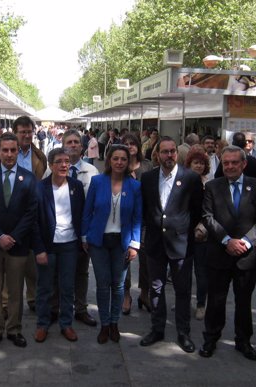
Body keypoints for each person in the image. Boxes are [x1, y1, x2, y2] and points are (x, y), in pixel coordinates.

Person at [200, 145, 256, 361]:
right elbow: (207, 217)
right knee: (215, 300)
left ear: (244, 164)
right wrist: (227, 241)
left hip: (246, 257)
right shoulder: (212, 186)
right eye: (226, 162)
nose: (229, 166)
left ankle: (243, 341)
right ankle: (211, 338)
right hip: (219, 254)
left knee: (244, 302)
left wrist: (248, 242)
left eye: (234, 162)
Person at [139, 137, 203, 353]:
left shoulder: (191, 178)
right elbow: (145, 209)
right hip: (155, 244)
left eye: (172, 151)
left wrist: (185, 230)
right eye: (164, 152)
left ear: (177, 153)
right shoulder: (147, 178)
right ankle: (157, 329)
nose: (169, 155)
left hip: (181, 244)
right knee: (155, 288)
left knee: (182, 290)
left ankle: (183, 333)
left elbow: (196, 211)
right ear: (157, 155)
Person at [0, 132, 38, 350]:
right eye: (5, 150)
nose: (10, 154)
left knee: (15, 291)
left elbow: (31, 212)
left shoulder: (29, 178)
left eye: (13, 150)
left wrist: (14, 237)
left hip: (18, 244)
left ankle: (14, 329)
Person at [81, 144, 141, 344]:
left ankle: (114, 323)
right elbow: (87, 211)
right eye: (115, 158)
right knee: (102, 284)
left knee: (118, 285)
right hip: (99, 241)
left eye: (123, 159)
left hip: (121, 242)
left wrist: (135, 244)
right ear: (109, 160)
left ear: (128, 162)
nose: (119, 162)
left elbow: (137, 217)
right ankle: (104, 324)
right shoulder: (98, 182)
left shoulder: (134, 186)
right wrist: (84, 236)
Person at [0, 116, 47, 315]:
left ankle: (32, 298)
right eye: (22, 131)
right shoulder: (0, 154)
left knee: (31, 262)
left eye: (29, 131)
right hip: (6, 212)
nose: (27, 135)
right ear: (15, 132)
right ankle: (5, 303)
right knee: (8, 261)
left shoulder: (40, 156)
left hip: (30, 213)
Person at [32, 148, 85, 343]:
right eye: (59, 161)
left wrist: (83, 241)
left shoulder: (76, 186)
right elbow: (34, 221)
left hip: (70, 245)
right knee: (45, 287)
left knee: (67, 286)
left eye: (67, 161)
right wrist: (39, 249)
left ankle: (66, 324)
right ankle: (42, 324)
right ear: (50, 165)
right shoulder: (40, 188)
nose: (64, 165)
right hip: (48, 246)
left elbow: (80, 215)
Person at [62, 130, 99, 327]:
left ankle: (81, 309)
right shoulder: (54, 168)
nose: (74, 144)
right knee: (59, 271)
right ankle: (59, 308)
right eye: (70, 141)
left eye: (77, 141)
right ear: (63, 144)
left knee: (82, 272)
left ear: (82, 146)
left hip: (83, 231)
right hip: (60, 230)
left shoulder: (92, 171)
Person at [121, 132, 153, 315]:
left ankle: (145, 293)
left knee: (146, 259)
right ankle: (126, 294)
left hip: (146, 218)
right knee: (126, 256)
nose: (130, 146)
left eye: (133, 143)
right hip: (126, 218)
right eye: (126, 143)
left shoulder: (147, 165)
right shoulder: (119, 165)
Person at [184, 145, 211, 321]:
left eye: (202, 163)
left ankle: (201, 304)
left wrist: (202, 225)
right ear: (189, 164)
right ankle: (183, 300)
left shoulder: (209, 184)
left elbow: (210, 209)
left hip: (202, 233)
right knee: (183, 270)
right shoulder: (182, 181)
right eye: (196, 162)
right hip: (184, 233)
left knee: (201, 271)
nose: (199, 166)